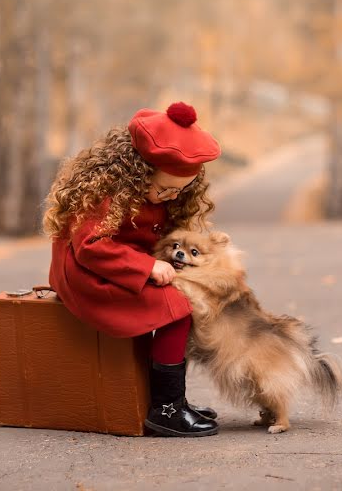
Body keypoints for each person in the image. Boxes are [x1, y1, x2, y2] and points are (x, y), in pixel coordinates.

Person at [42, 101, 221, 437]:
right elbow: (91, 246)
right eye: (165, 188)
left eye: (180, 191)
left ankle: (169, 398)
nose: (170, 196)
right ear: (139, 170)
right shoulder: (107, 192)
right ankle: (166, 409)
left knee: (187, 296)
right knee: (177, 308)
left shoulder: (163, 193)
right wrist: (146, 265)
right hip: (87, 273)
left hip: (121, 267)